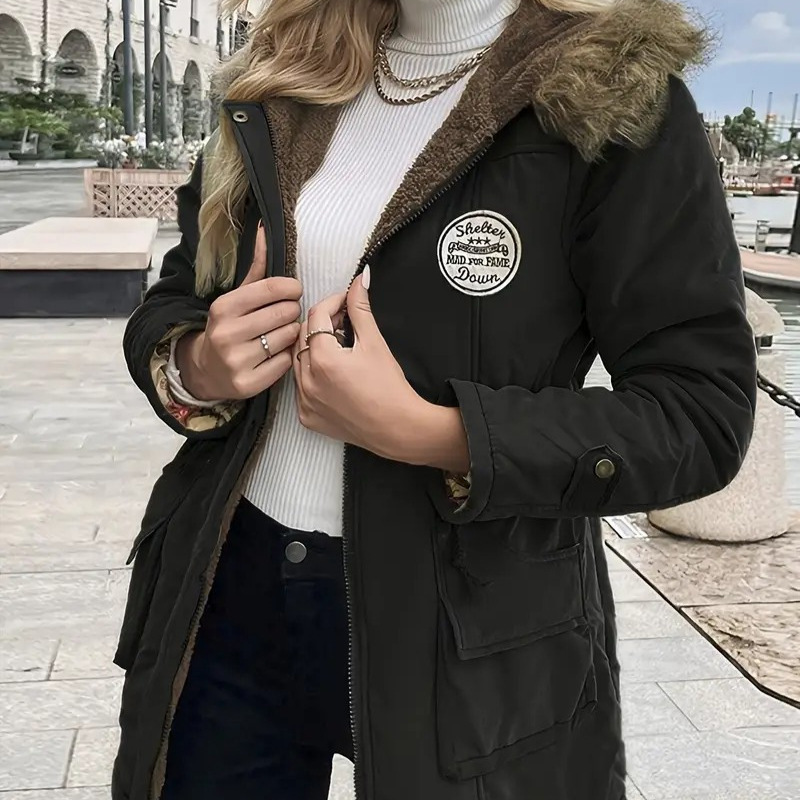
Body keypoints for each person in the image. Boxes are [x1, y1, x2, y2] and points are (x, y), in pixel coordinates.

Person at [113, 1, 758, 799]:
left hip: (470, 626)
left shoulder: (611, 92)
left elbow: (699, 414)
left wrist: (432, 433)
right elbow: (179, 295)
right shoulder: (284, 75)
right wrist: (197, 366)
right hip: (226, 583)